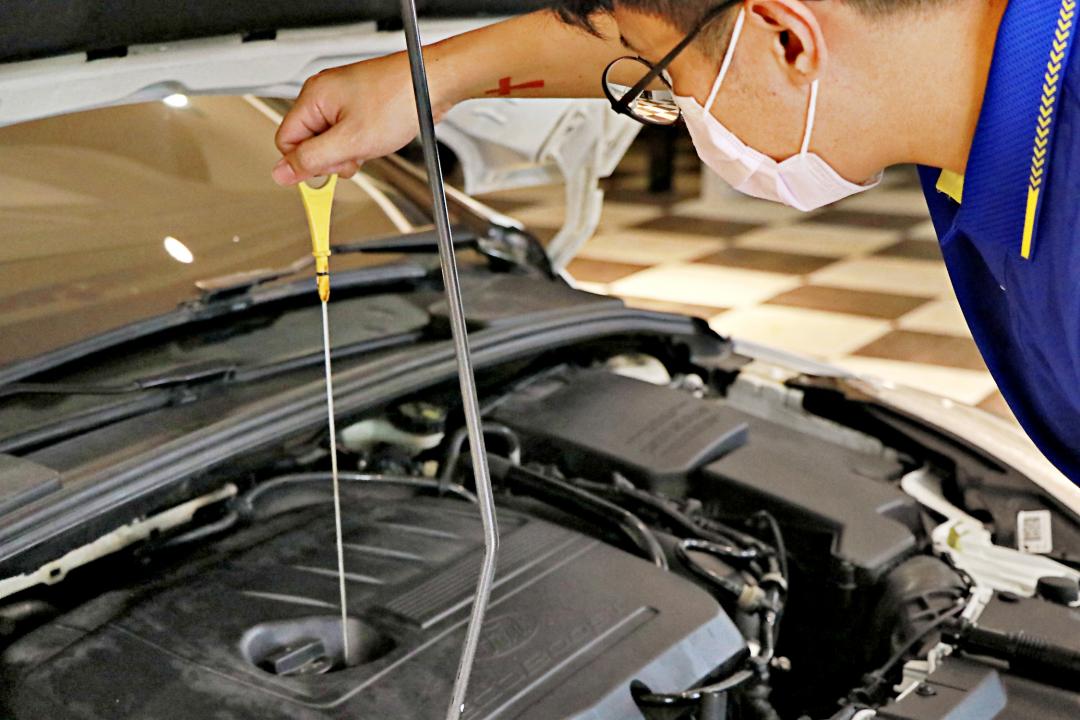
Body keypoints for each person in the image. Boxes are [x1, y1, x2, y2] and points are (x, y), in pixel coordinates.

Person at [271, 0, 1080, 484]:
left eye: (668, 89)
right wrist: (428, 75)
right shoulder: (994, 91)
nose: (683, 116)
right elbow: (685, 27)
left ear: (792, 41)